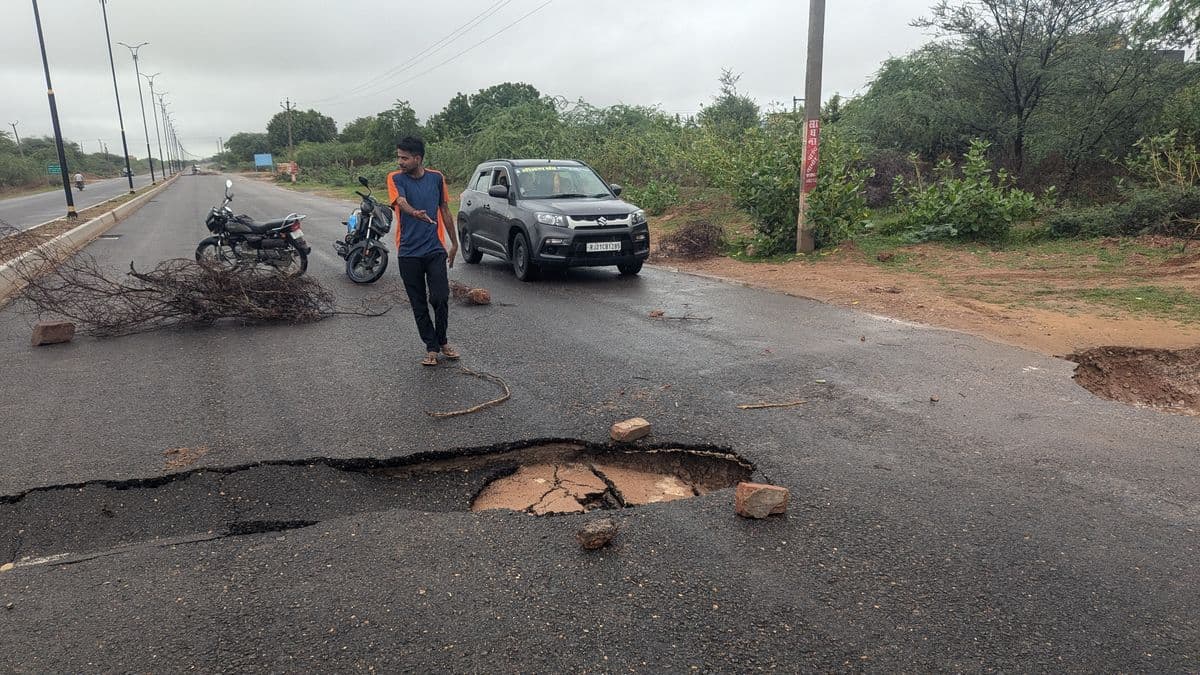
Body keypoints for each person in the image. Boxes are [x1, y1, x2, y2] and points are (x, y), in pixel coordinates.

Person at [387, 136, 461, 366]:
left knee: (440, 297)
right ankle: (431, 346)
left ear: (417, 158)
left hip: (434, 249)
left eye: (404, 158)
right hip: (408, 252)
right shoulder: (395, 178)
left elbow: (445, 210)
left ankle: (443, 340)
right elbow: (400, 201)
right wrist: (414, 212)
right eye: (399, 157)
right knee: (418, 302)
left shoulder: (436, 178)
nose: (400, 161)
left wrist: (454, 243)